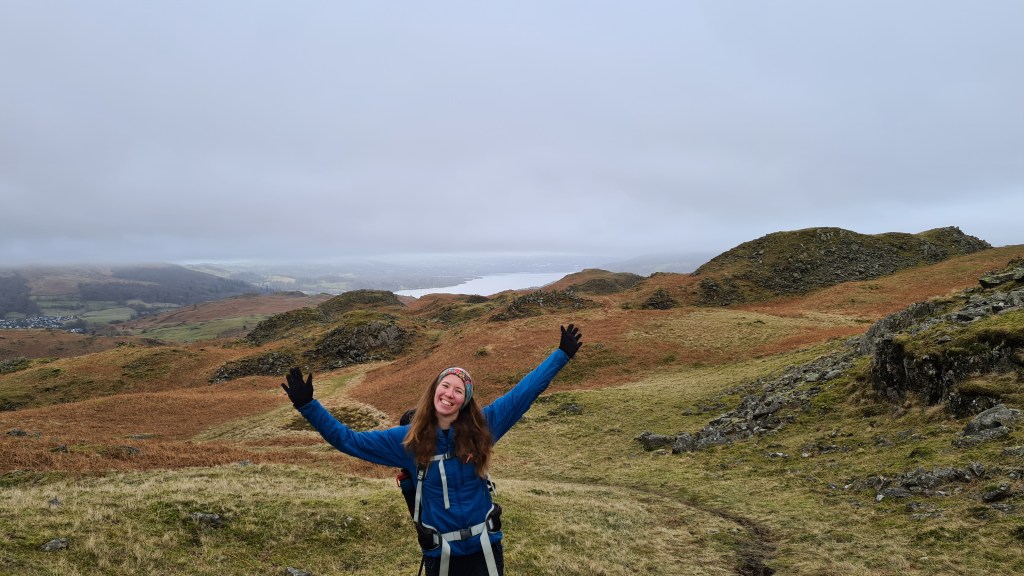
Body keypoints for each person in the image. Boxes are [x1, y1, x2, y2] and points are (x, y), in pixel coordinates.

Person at [281, 324, 583, 576]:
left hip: (486, 549)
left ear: (464, 401)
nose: (450, 393)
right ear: (434, 391)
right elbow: (349, 440)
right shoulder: (408, 442)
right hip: (442, 556)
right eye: (445, 385)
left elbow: (525, 391)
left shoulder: (484, 426)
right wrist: (308, 406)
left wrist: (561, 355)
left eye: (458, 390)